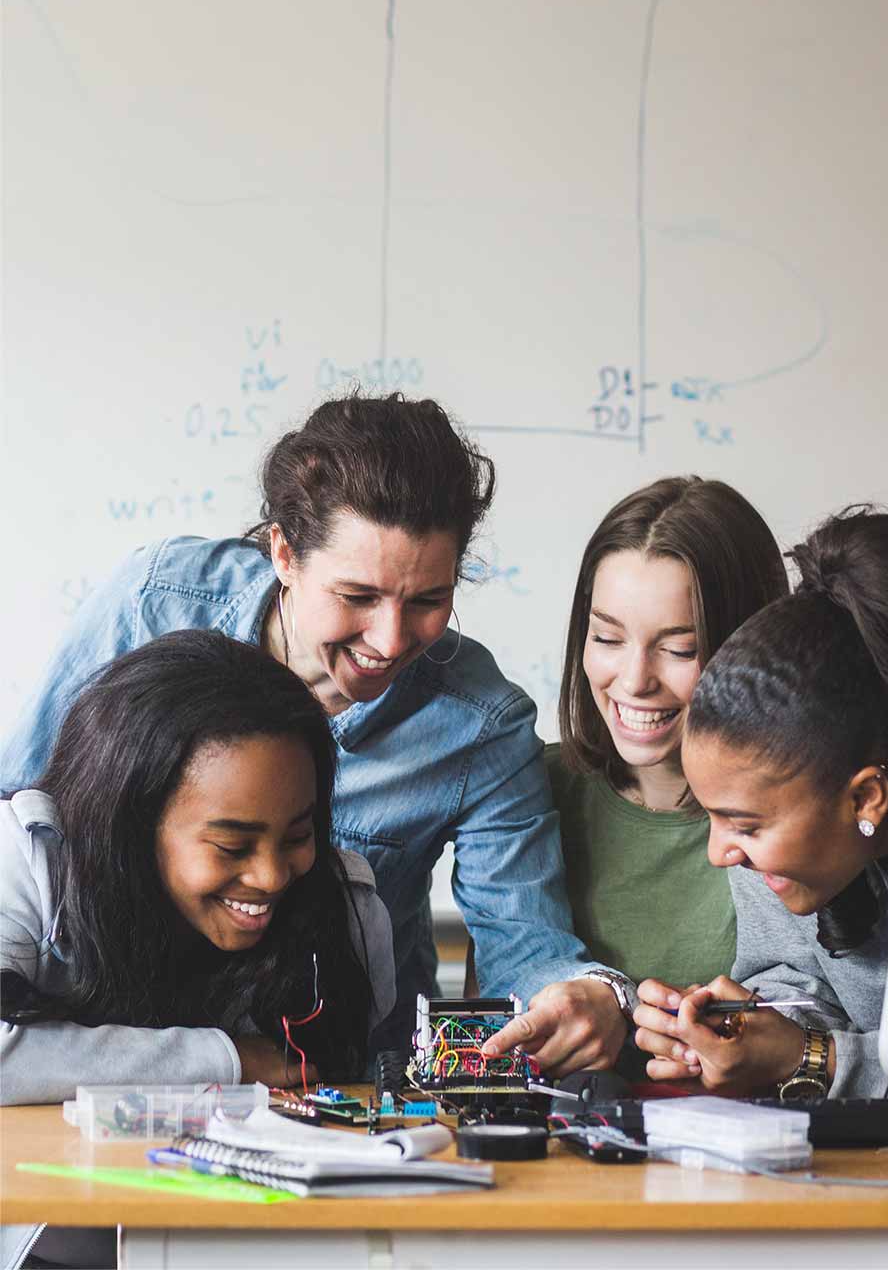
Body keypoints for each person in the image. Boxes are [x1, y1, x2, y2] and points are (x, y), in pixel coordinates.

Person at [0, 393, 632, 1073]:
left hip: (331, 1068)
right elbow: (22, 814)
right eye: (357, 597)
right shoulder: (155, 603)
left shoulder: (479, 722)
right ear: (284, 553)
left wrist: (596, 998)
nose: (390, 641)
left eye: (427, 600)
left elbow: (527, 952)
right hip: (91, 1059)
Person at [632, 507, 888, 1099]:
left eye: (744, 826)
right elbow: (797, 979)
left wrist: (816, 1059)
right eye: (712, 816)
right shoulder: (777, 851)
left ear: (867, 798)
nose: (720, 851)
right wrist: (753, 1034)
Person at [1, 630, 394, 1105]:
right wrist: (230, 1060)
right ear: (130, 827)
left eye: (298, 836)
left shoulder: (348, 917)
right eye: (231, 846)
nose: (271, 877)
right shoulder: (23, 859)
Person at [546, 478, 788, 1006]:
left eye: (680, 649)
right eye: (607, 638)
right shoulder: (532, 793)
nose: (635, 680)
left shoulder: (803, 819)